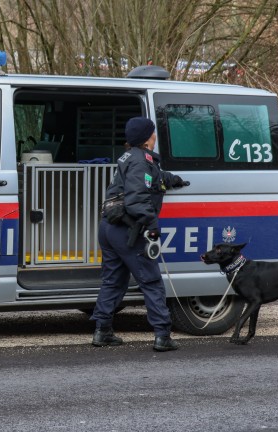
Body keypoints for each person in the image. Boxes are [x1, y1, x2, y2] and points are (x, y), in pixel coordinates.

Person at [91, 116, 190, 352]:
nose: (155, 137)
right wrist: (152, 226)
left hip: (109, 228)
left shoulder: (132, 158)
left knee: (113, 281)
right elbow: (137, 198)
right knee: (151, 281)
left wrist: (173, 180)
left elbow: (151, 180)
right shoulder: (140, 162)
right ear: (147, 138)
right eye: (153, 133)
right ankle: (162, 336)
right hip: (128, 230)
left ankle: (102, 331)